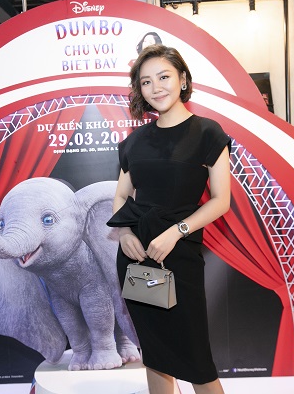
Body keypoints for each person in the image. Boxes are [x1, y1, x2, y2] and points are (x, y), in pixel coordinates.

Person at [107, 44, 230, 394]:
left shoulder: (207, 133)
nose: (156, 87)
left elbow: (221, 201)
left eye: (163, 77)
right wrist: (125, 233)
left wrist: (177, 232)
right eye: (146, 82)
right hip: (138, 257)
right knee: (157, 355)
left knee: (197, 361)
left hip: (179, 254)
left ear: (183, 79)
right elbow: (120, 196)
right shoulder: (134, 142)